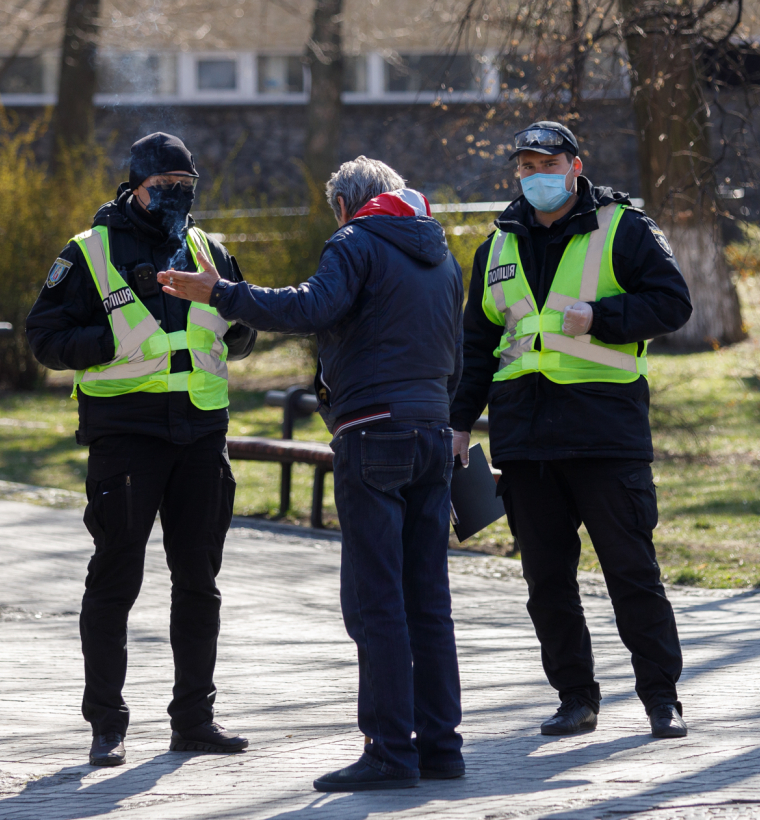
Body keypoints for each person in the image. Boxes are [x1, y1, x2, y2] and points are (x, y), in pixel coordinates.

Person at [158, 157, 465, 792]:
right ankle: (440, 748)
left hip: (373, 432)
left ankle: (388, 753)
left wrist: (220, 292)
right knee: (428, 601)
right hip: (433, 430)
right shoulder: (439, 251)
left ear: (348, 206)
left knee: (375, 601)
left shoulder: (356, 242)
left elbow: (311, 307)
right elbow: (455, 352)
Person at [449, 121, 693, 740]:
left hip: (604, 435)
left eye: (546, 164)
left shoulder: (625, 228)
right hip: (526, 440)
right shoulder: (495, 246)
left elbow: (672, 303)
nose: (535, 177)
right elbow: (477, 345)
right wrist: (457, 423)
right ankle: (575, 698)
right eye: (525, 167)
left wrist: (602, 317)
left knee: (632, 573)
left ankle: (661, 698)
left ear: (575, 166)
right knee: (546, 583)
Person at [26, 132, 257, 768]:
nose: (177, 200)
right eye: (165, 189)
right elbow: (43, 337)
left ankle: (194, 720)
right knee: (115, 578)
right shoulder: (89, 252)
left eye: (187, 189)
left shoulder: (210, 250)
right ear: (135, 187)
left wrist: (235, 327)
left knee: (199, 583)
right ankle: (106, 724)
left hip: (202, 434)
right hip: (127, 438)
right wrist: (109, 344)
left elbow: (242, 335)